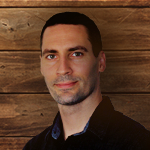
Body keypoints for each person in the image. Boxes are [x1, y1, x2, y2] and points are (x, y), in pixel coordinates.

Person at [23, 12, 150, 150]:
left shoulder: (138, 143)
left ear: (101, 62)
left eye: (76, 54)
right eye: (51, 56)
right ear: (41, 65)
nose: (63, 69)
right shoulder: (33, 147)